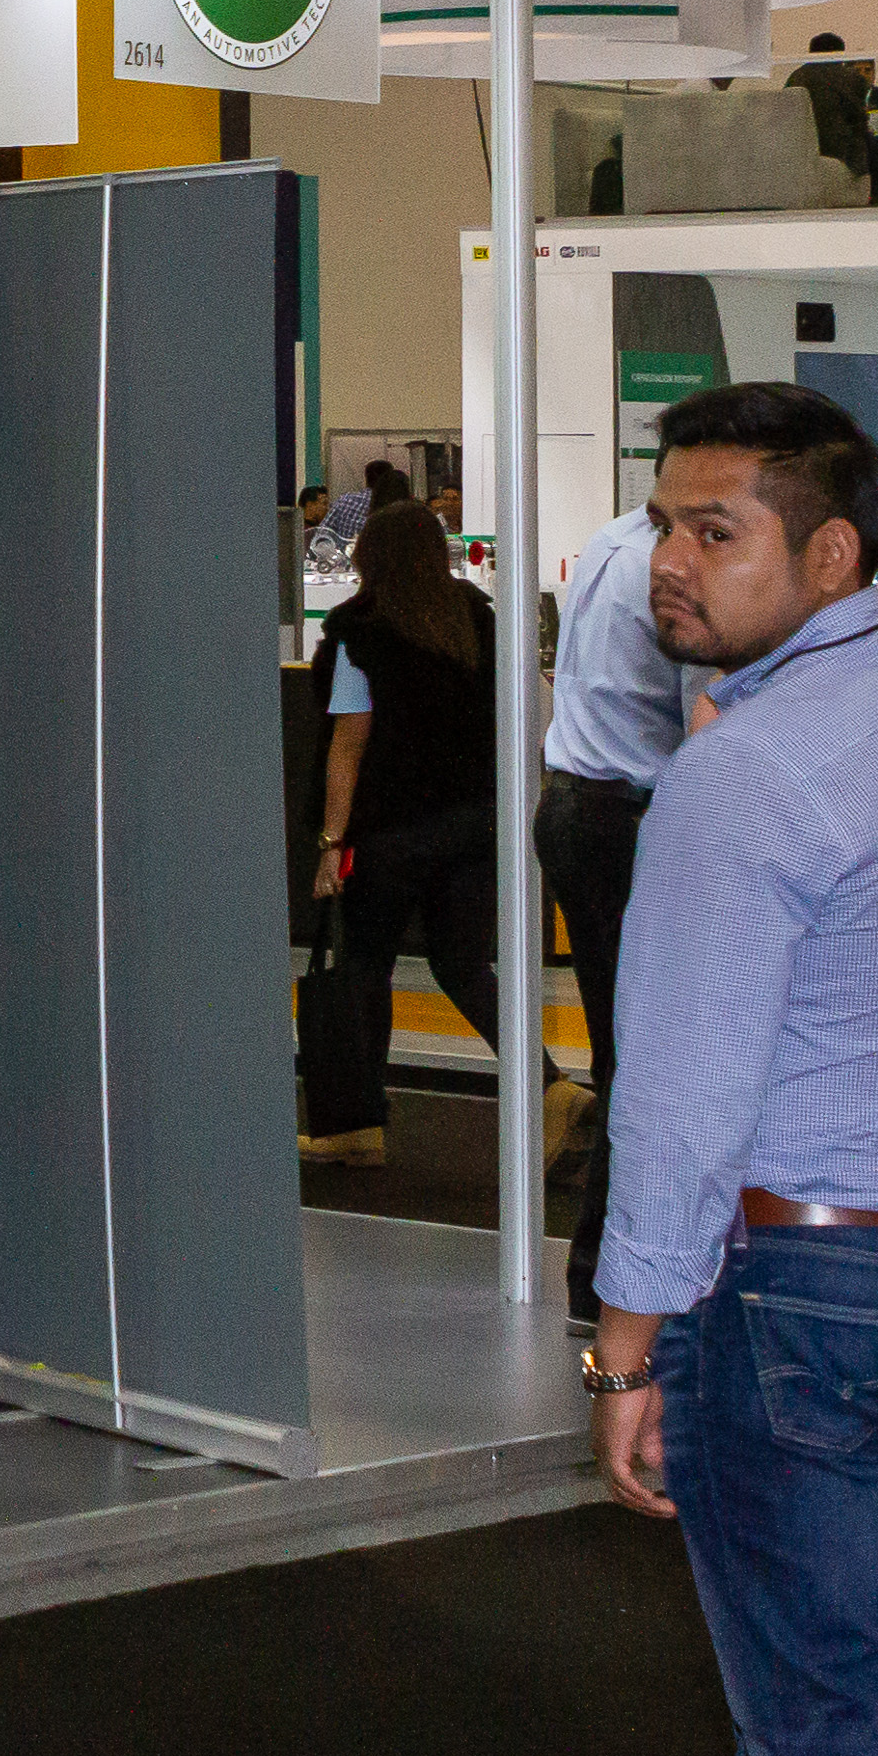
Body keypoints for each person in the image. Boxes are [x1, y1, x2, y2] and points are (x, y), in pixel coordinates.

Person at [592, 381, 878, 1756]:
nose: (669, 560)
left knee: (826, 1740)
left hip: (799, 1302)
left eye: (716, 532)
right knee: (800, 1712)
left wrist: (624, 1348)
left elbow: (679, 1092)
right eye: (665, 525)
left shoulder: (745, 773)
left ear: (833, 556)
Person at [298, 501, 503, 1169]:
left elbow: (347, 747)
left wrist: (331, 843)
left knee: (364, 968)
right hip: (472, 828)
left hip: (387, 836)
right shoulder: (474, 618)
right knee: (464, 965)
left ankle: (357, 1124)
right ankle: (551, 1087)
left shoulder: (361, 630)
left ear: (371, 555)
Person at [539, 506, 696, 1325]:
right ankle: (607, 1281)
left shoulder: (610, 539)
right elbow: (707, 716)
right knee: (645, 1056)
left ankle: (600, 1277)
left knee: (626, 1049)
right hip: (625, 817)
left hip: (576, 806)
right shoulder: (675, 569)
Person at [790, 32, 878, 190]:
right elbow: (858, 122)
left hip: (801, 154)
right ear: (840, 54)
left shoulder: (796, 77)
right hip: (843, 156)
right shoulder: (851, 79)